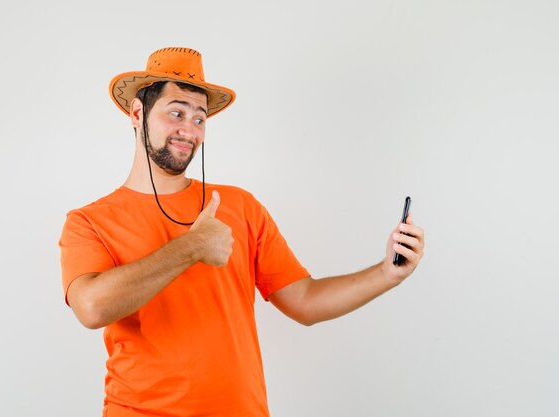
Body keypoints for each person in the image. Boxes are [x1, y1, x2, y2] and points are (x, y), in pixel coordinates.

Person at [59, 47, 425, 417]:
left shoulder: (239, 207)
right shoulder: (90, 221)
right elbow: (91, 307)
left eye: (200, 118)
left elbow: (305, 301)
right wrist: (192, 247)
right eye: (176, 113)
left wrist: (386, 274)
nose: (189, 130)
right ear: (138, 113)